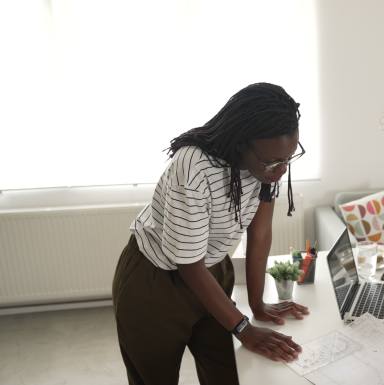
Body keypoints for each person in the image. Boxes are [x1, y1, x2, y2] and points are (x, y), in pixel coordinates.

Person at [112, 82, 310, 385]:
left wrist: (257, 305)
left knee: (230, 373)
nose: (281, 170)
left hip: (212, 270)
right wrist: (243, 329)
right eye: (272, 162)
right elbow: (188, 265)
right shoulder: (193, 167)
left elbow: (260, 235)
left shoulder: (267, 166)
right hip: (154, 283)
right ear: (241, 143)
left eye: (288, 159)